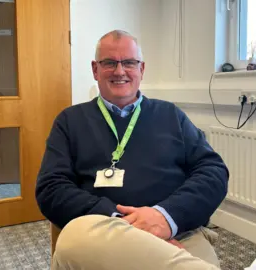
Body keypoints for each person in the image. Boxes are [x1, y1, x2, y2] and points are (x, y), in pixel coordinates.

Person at [36, 30, 229, 269]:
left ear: (141, 69)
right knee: (73, 240)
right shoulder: (69, 121)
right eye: (109, 63)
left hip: (177, 232)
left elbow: (213, 171)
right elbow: (51, 188)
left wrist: (164, 217)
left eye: (129, 62)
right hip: (102, 234)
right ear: (95, 70)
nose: (120, 71)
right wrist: (125, 224)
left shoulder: (171, 115)